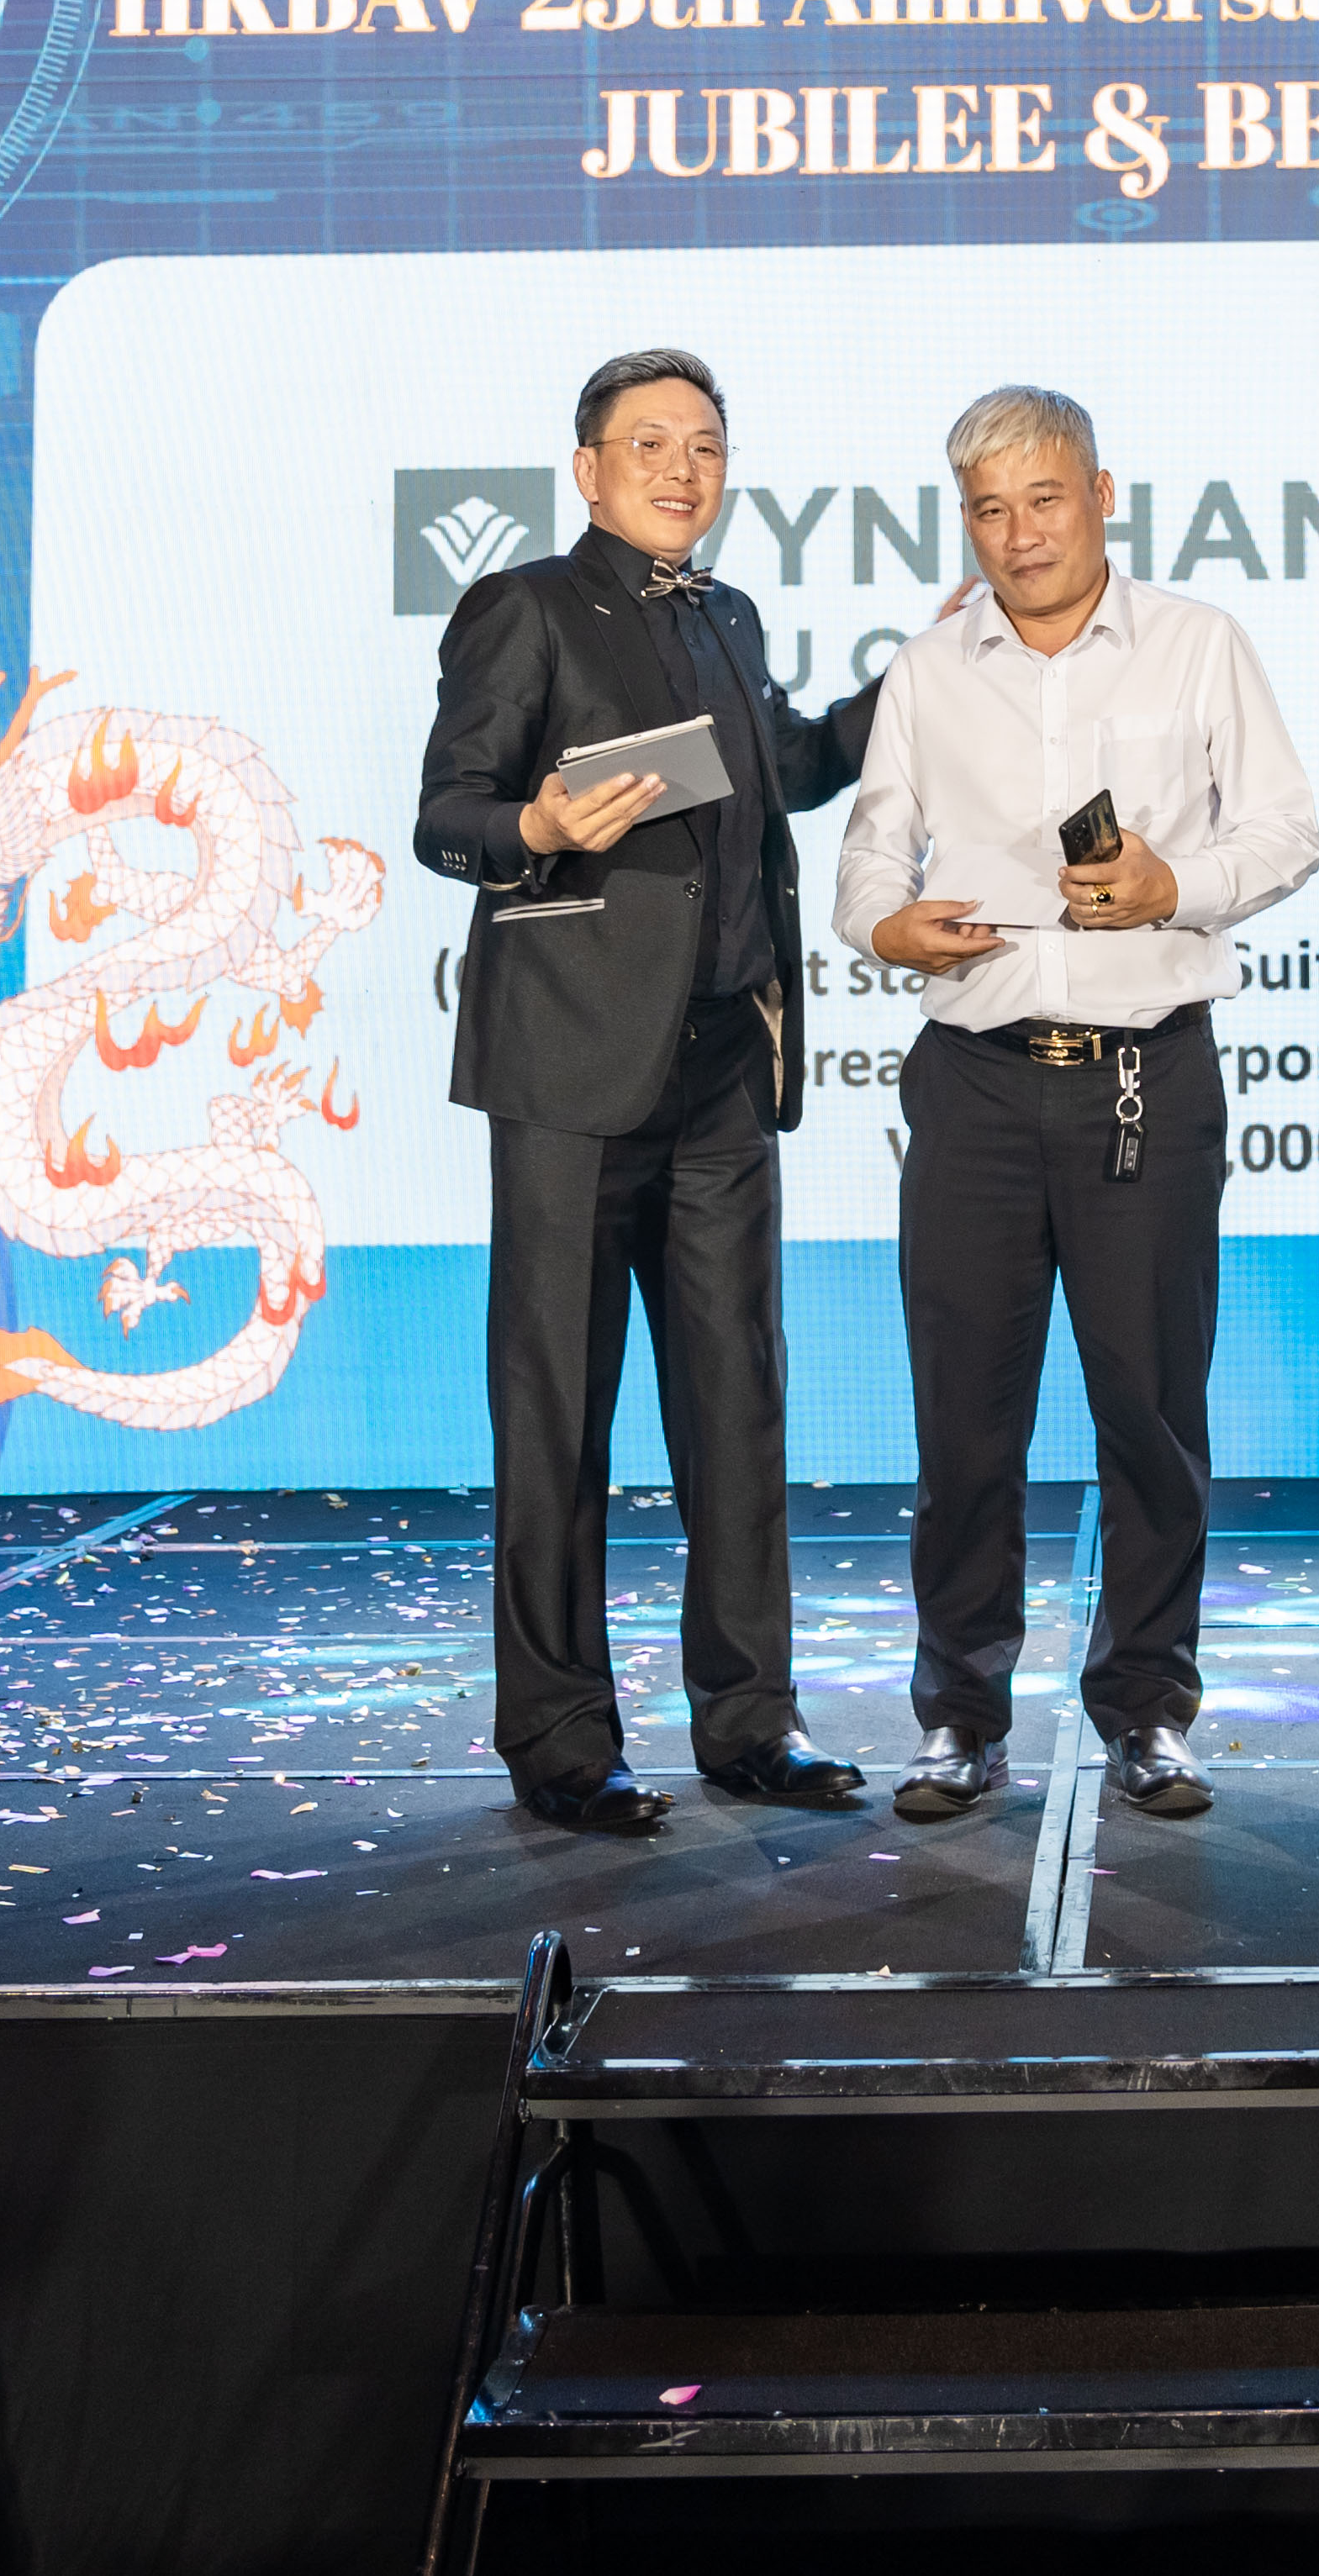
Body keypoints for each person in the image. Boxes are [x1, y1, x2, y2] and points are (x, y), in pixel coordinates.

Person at [835, 385, 1319, 1829]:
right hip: (974, 1082)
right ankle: (958, 1716)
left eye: (1043, 498)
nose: (1018, 532)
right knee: (962, 1424)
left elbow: (1286, 830)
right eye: (987, 508)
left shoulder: (1197, 643)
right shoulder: (927, 669)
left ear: (1102, 495)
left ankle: (1148, 1710)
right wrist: (887, 926)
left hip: (1141, 1079)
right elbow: (867, 858)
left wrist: (1178, 883)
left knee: (1149, 1416)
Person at [412, 347, 883, 1837]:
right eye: (651, 444)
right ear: (589, 470)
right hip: (569, 1070)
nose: (683, 470)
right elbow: (447, 812)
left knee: (738, 1404)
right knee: (557, 1413)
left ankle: (750, 1719)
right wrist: (538, 825)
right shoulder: (528, 606)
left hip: (724, 1072)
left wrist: (916, 681)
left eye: (706, 446)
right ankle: (561, 1737)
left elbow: (787, 765)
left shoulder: (726, 616)